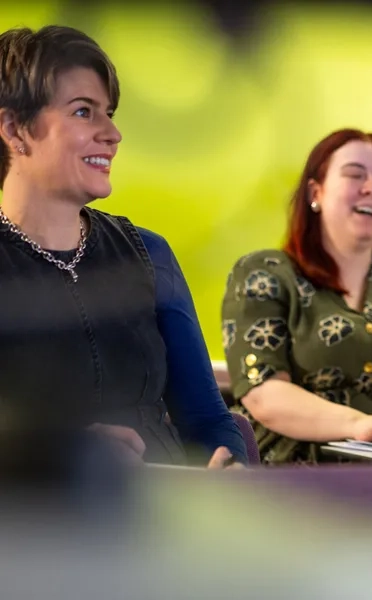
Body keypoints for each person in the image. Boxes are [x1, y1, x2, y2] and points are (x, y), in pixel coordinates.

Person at [0, 25, 246, 467]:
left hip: (164, 513)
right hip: (36, 522)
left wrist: (228, 469)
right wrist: (62, 452)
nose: (112, 134)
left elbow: (208, 419)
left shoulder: (150, 255)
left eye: (109, 113)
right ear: (14, 128)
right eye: (83, 112)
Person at [222, 129, 372, 465]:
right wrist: (360, 425)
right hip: (285, 477)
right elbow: (263, 394)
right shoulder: (266, 274)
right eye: (355, 174)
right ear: (315, 192)